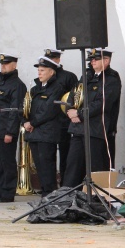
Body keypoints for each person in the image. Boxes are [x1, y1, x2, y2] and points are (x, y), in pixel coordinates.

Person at [63, 49, 121, 188]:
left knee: (95, 168)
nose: (92, 62)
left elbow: (102, 104)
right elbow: (73, 95)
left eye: (95, 59)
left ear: (106, 61)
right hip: (78, 129)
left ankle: (96, 198)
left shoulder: (111, 79)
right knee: (73, 166)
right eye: (91, 59)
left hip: (96, 131)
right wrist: (69, 111)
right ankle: (68, 196)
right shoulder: (86, 76)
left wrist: (79, 114)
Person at [0, 54, 26, 203]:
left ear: (14, 65)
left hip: (5, 132)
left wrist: (10, 132)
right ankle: (0, 191)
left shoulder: (17, 85)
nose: (3, 66)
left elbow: (15, 111)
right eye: (2, 64)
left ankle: (8, 193)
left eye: (6, 64)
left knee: (7, 163)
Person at [22, 57, 64, 197]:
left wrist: (32, 123)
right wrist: (25, 122)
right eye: (38, 70)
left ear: (51, 72)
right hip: (34, 132)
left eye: (42, 70)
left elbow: (49, 111)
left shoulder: (57, 88)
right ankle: (45, 190)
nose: (39, 73)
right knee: (39, 165)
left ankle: (50, 192)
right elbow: (25, 108)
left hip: (47, 133)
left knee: (47, 163)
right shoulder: (34, 89)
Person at [43, 48, 78, 184]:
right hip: (48, 123)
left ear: (58, 60)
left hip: (64, 122)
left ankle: (65, 184)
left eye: (52, 59)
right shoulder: (44, 76)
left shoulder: (68, 77)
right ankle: (49, 185)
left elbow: (75, 98)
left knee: (66, 155)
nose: (50, 62)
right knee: (48, 156)